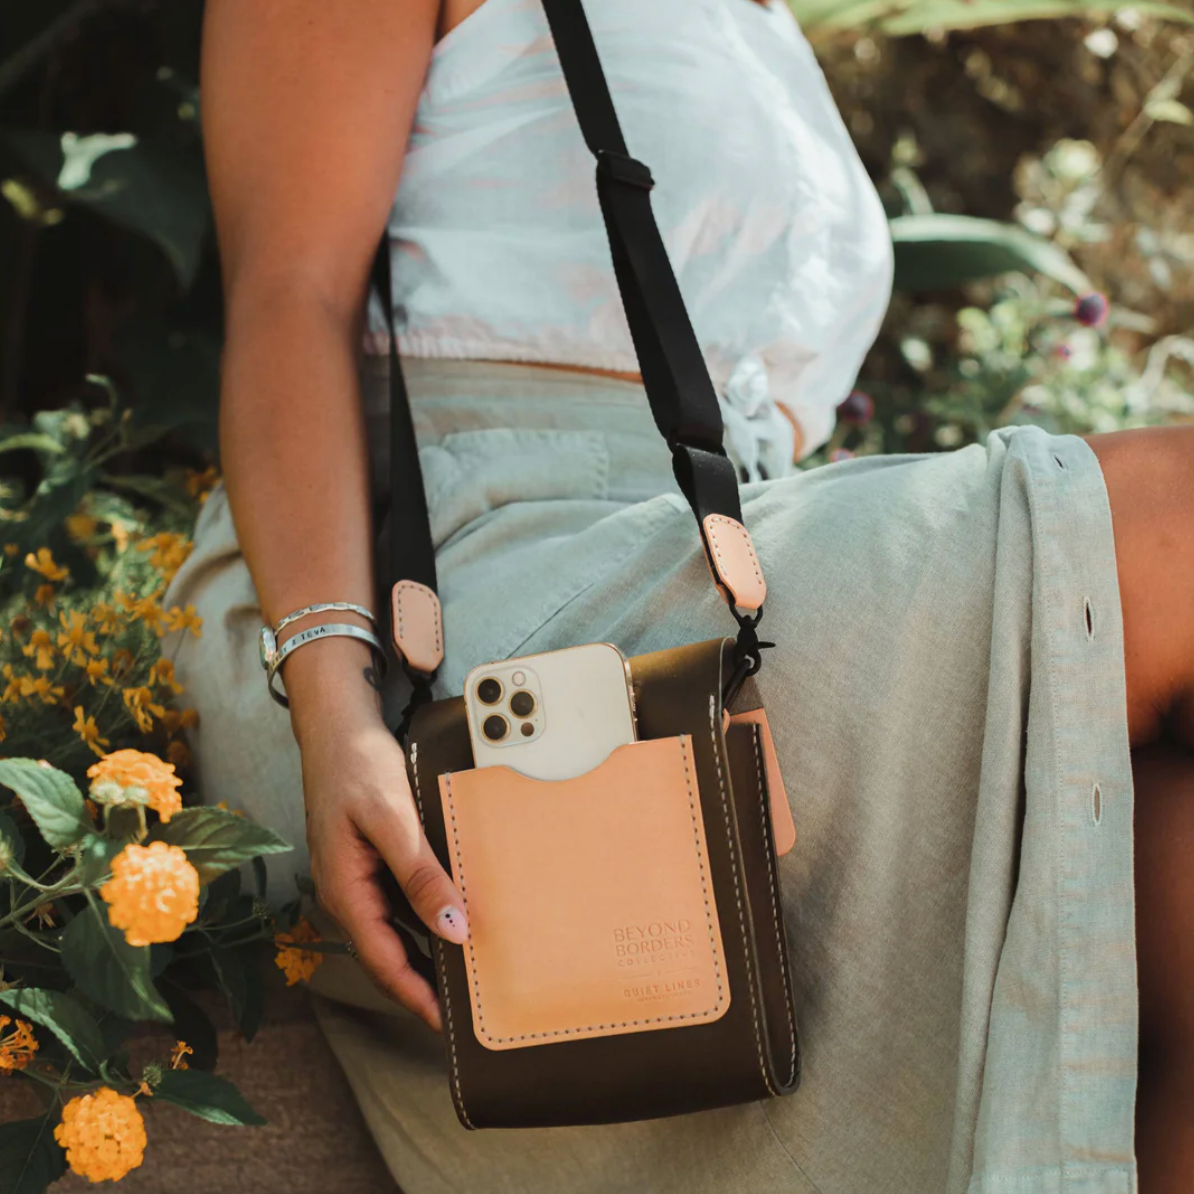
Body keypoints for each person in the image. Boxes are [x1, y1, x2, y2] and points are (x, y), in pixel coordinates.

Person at [163, 0, 1194, 1190]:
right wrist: (334, 699)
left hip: (714, 562)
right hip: (426, 603)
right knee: (1166, 523)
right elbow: (290, 295)